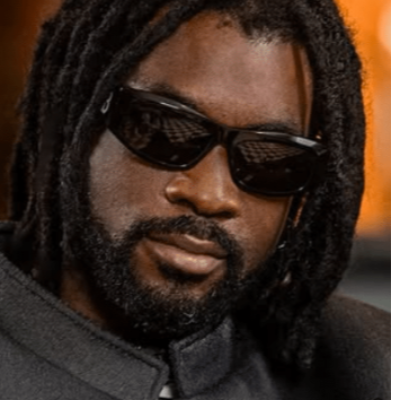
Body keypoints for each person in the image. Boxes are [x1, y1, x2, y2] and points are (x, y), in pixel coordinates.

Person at [0, 0, 391, 399]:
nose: (210, 195)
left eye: (269, 159)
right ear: (73, 119)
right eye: (165, 131)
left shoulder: (366, 367)